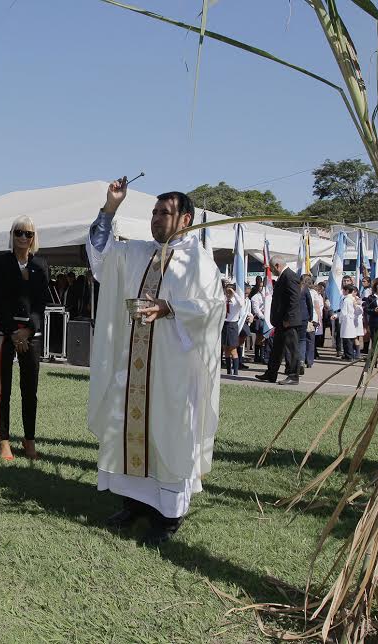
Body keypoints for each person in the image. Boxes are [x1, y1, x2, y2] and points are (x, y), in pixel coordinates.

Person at [87, 177, 223, 545]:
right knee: (132, 429)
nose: (156, 218)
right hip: (134, 366)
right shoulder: (138, 253)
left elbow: (213, 309)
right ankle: (134, 503)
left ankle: (169, 515)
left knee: (169, 434)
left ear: (185, 219)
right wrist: (111, 206)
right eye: (153, 212)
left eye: (164, 213)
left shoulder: (199, 261)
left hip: (174, 371)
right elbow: (101, 253)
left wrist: (171, 308)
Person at [0, 215, 49, 461]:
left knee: (30, 389)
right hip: (4, 331)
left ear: (34, 238)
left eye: (28, 233)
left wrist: (28, 329)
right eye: (19, 232)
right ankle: (3, 439)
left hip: (31, 333)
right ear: (11, 235)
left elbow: (41, 302)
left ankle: (29, 439)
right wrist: (13, 330)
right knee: (2, 389)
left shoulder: (41, 264)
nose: (23, 237)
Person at [256, 255, 304, 385]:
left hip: (288, 321)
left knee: (291, 349)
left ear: (277, 265)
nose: (272, 271)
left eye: (272, 268)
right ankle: (271, 373)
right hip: (281, 321)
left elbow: (294, 299)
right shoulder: (284, 276)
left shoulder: (290, 276)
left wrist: (288, 318)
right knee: (277, 349)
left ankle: (293, 376)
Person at [221, 280, 245, 376]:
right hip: (224, 324)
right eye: (226, 292)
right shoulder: (224, 300)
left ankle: (235, 371)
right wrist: (225, 292)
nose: (228, 294)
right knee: (226, 349)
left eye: (229, 292)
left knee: (233, 349)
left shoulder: (236, 302)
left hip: (232, 325)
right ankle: (228, 371)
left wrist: (234, 293)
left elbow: (242, 303)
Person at [337, 284, 363, 361]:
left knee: (347, 339)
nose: (343, 291)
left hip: (347, 321)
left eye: (344, 290)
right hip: (351, 320)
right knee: (350, 339)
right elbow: (359, 311)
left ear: (347, 291)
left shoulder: (347, 300)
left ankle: (349, 356)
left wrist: (340, 319)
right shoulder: (353, 299)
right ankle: (349, 355)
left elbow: (343, 311)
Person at [363, 278, 378, 355]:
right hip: (374, 321)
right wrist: (374, 310)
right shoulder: (371, 297)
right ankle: (374, 357)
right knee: (374, 339)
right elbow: (366, 309)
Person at [296, 274, 314, 373]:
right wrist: (310, 317)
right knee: (302, 340)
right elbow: (309, 303)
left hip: (294, 317)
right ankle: (301, 361)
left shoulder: (294, 287)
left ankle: (295, 362)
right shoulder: (305, 289)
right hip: (303, 317)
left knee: (294, 340)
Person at [249, 280, 268, 364]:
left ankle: (262, 355)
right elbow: (256, 309)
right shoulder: (255, 297)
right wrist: (263, 317)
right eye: (260, 286)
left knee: (264, 337)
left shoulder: (267, 296)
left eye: (263, 286)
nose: (261, 288)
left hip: (267, 318)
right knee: (259, 337)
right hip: (260, 319)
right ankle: (257, 356)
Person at [307, 278, 325, 367]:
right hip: (313, 318)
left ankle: (308, 357)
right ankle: (310, 359)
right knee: (311, 339)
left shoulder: (314, 294)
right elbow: (317, 307)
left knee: (308, 339)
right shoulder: (313, 293)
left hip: (311, 318)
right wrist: (320, 319)